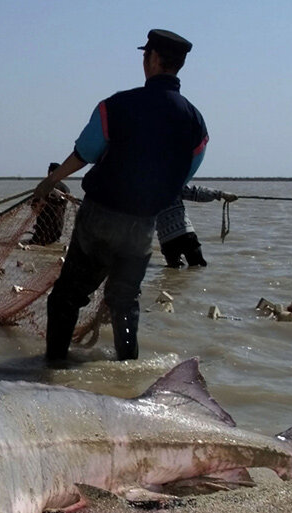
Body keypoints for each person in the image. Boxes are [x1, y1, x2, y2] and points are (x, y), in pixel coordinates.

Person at [32, 29, 208, 363]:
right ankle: (127, 371)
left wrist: (51, 180)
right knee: (124, 302)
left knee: (67, 298)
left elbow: (85, 152)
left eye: (146, 56)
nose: (144, 61)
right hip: (142, 227)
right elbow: (186, 172)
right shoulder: (195, 122)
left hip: (100, 217)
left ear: (154, 58)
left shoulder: (116, 106)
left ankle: (53, 368)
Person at [157, 185, 238, 268]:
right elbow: (197, 192)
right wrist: (221, 194)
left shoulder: (145, 193)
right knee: (197, 267)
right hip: (184, 233)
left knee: (173, 272)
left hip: (165, 239)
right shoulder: (171, 185)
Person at [27, 162, 71, 246]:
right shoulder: (66, 189)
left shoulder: (44, 186)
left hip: (41, 232)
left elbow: (34, 207)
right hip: (57, 231)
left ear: (50, 172)